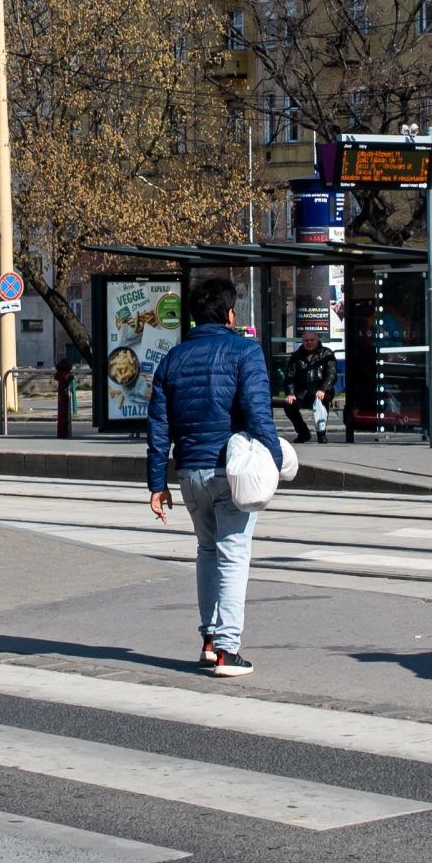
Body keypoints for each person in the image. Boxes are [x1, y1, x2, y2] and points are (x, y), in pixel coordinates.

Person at [145, 276, 285, 676]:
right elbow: (259, 413)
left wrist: (157, 483)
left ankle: (209, 641)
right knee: (234, 553)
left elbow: (158, 427)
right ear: (230, 314)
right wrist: (274, 460)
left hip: (190, 471)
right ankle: (227, 649)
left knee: (208, 551)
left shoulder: (173, 359)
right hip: (231, 470)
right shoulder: (245, 352)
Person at [282, 334, 336, 444]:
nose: (309, 342)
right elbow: (289, 376)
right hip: (302, 391)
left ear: (317, 340)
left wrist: (323, 389)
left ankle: (321, 433)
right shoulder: (296, 356)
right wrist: (290, 393)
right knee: (289, 405)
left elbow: (331, 374)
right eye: (306, 340)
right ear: (302, 342)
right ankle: (303, 432)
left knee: (320, 400)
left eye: (312, 340)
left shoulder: (326, 353)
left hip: (321, 389)